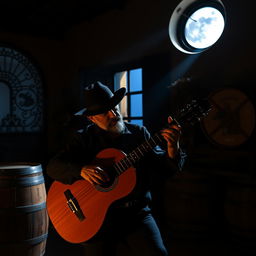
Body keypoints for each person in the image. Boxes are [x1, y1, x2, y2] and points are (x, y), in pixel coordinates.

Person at [46, 81, 186, 256]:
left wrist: (173, 148)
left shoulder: (139, 134)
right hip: (97, 218)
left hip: (136, 215)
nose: (113, 114)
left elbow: (166, 170)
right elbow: (53, 166)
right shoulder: (84, 139)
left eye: (114, 107)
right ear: (91, 118)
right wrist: (81, 169)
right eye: (105, 112)